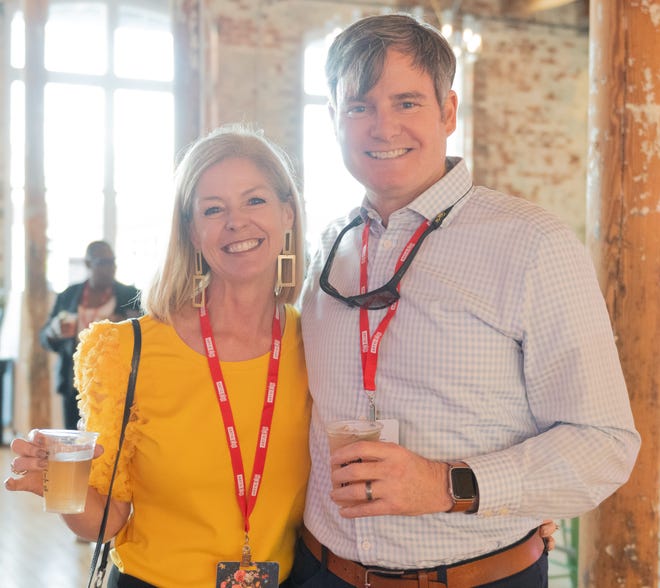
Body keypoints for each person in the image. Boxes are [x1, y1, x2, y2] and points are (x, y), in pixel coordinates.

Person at [291, 13, 641, 588]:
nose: (382, 127)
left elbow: (604, 445)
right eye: (359, 107)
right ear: (334, 120)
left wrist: (450, 485)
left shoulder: (533, 244)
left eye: (406, 102)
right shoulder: (327, 247)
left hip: (479, 577)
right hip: (321, 570)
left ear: (448, 112)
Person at [6, 126, 310, 587]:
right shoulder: (128, 349)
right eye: (213, 209)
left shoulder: (318, 345)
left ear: (287, 212)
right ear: (191, 230)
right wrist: (56, 483)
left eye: (255, 200)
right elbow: (106, 522)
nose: (236, 222)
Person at [40, 241, 141, 430]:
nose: (110, 268)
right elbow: (44, 337)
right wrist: (55, 331)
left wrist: (123, 326)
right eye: (103, 262)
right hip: (74, 383)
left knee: (112, 437)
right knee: (74, 439)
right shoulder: (69, 296)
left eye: (112, 262)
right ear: (88, 264)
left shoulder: (130, 295)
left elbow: (145, 332)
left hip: (117, 382)